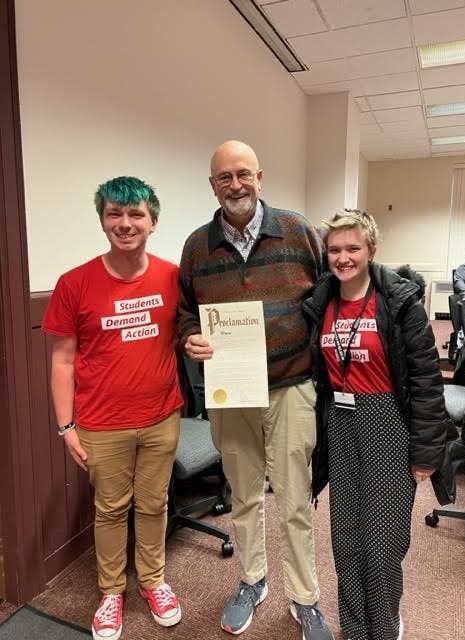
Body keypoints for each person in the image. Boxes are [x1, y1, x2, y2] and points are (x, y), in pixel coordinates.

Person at [177, 140, 333, 640]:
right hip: (232, 393)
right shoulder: (196, 247)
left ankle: (305, 598)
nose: (236, 185)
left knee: (294, 497)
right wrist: (188, 337)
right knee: (243, 494)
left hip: (291, 385)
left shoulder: (296, 230)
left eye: (243, 174)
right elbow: (183, 311)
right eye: (225, 177)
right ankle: (252, 579)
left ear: (260, 177)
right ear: (212, 185)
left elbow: (329, 293)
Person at [42, 176, 184, 640]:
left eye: (136, 214)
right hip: (101, 424)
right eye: (114, 214)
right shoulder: (75, 283)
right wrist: (66, 426)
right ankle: (110, 592)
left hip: (162, 416)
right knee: (110, 509)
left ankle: (153, 580)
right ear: (103, 220)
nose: (125, 224)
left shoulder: (172, 277)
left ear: (153, 221)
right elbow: (62, 360)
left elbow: (190, 334)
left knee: (154, 504)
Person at [303, 210, 449, 640]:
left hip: (389, 424)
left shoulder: (400, 302)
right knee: (345, 538)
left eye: (352, 248)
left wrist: (426, 453)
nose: (343, 257)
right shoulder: (320, 301)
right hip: (341, 425)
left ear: (371, 250)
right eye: (334, 249)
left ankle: (385, 626)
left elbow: (426, 381)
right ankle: (354, 623)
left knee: (382, 543)